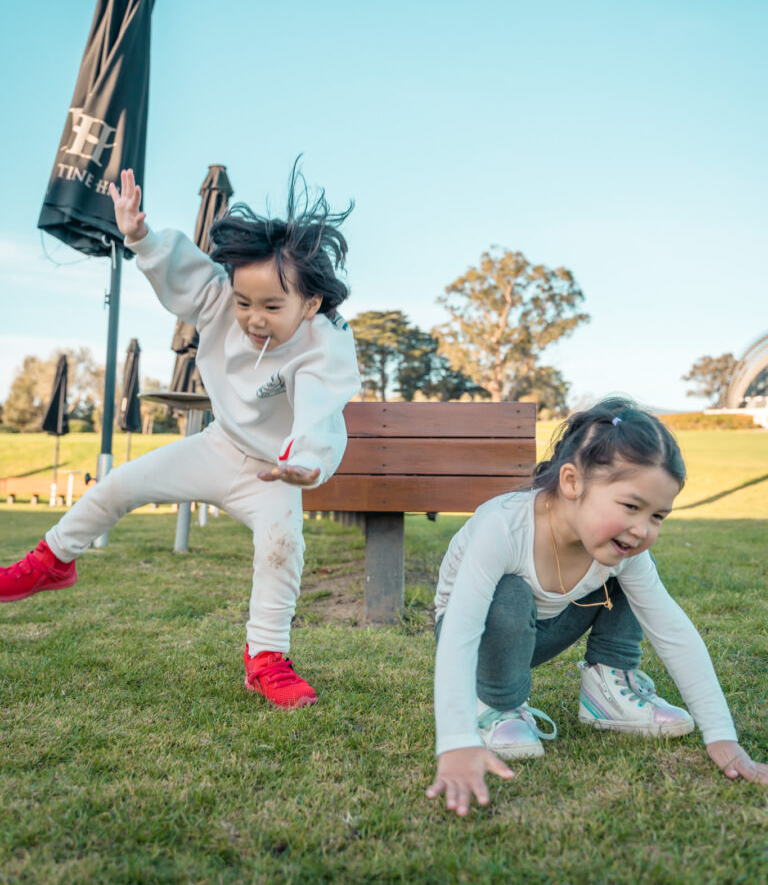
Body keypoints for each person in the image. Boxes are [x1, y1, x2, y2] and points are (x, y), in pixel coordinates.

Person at [0, 163, 361, 709]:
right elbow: (185, 272)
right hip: (219, 447)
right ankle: (52, 560)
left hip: (274, 472)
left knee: (282, 547)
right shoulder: (219, 300)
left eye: (271, 307)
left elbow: (319, 408)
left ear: (309, 304)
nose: (253, 318)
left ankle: (266, 658)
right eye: (245, 302)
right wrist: (140, 236)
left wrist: (304, 462)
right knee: (119, 484)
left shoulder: (323, 342)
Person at [426, 396, 768, 816]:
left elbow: (672, 631)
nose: (641, 529)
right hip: (482, 636)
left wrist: (721, 736)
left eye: (658, 516)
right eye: (631, 506)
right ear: (572, 482)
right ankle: (495, 705)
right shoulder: (504, 526)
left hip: (549, 625)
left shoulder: (621, 544)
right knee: (511, 592)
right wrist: (456, 741)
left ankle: (607, 688)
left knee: (628, 569)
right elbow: (460, 631)